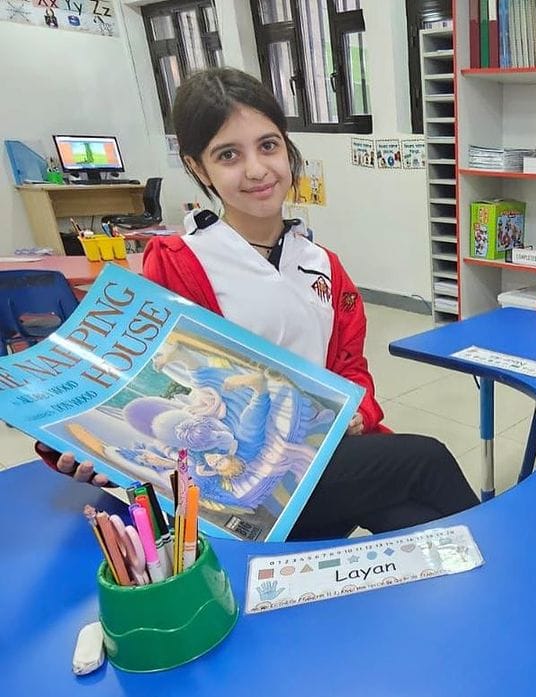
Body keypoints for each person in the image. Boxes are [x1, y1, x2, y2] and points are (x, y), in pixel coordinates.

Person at [39, 67, 478, 540]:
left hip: (322, 456)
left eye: (268, 146)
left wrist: (360, 412)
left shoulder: (323, 264)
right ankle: (510, 562)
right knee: (424, 461)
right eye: (228, 155)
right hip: (247, 483)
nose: (256, 170)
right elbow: (126, 372)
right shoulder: (183, 262)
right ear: (197, 168)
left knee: (418, 524)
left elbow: (349, 366)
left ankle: (496, 569)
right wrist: (70, 444)